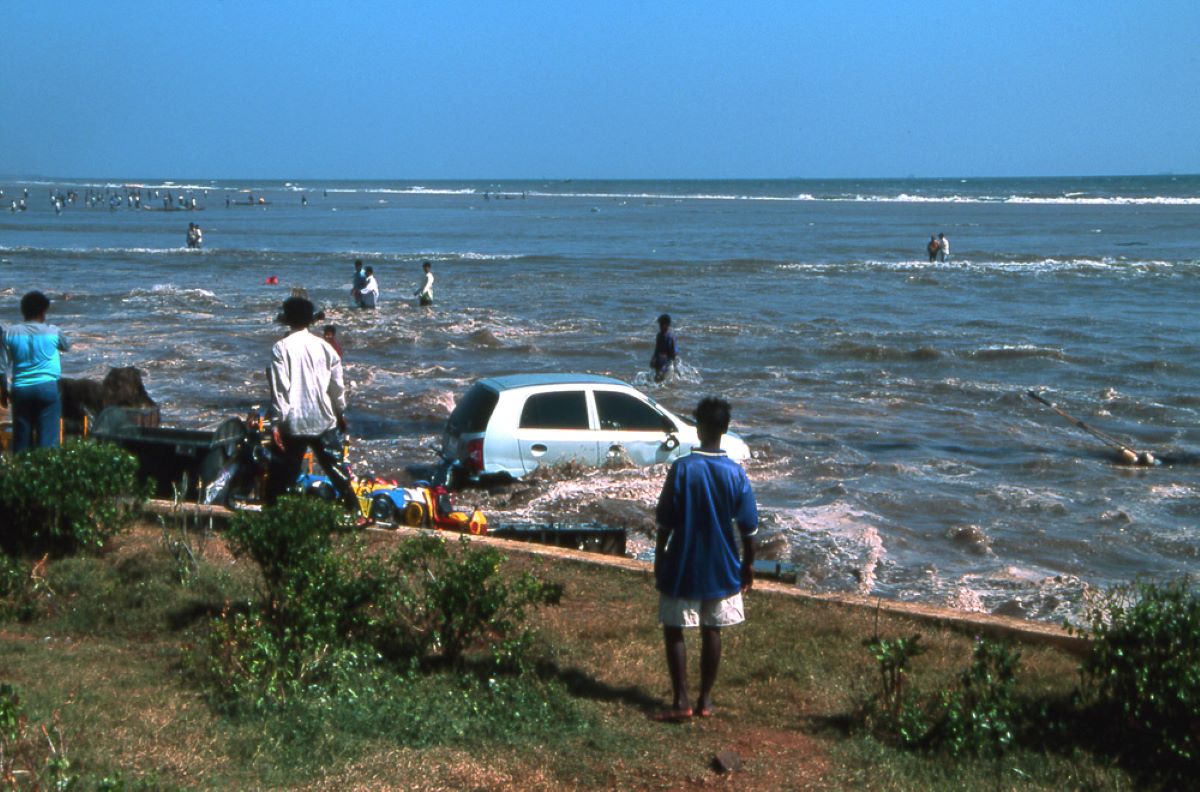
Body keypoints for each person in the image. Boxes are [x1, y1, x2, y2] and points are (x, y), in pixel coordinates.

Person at [652, 397, 758, 721]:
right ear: (725, 430)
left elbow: (665, 523)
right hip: (722, 563)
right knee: (713, 629)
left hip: (683, 560)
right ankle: (706, 700)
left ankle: (681, 698)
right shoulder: (736, 474)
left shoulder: (682, 469)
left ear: (699, 427)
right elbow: (749, 529)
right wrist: (748, 565)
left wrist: (659, 558)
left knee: (675, 628)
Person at [265, 296, 360, 517]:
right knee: (336, 469)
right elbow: (337, 388)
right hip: (323, 418)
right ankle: (355, 511)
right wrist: (340, 413)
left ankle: (274, 515)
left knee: (283, 473)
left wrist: (276, 424)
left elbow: (281, 390)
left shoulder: (281, 348)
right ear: (310, 320)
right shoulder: (326, 348)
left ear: (287, 320)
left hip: (294, 422)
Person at [0, 291, 71, 451]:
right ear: (43, 312)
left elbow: (2, 367)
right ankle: (45, 472)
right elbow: (66, 345)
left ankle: (22, 472)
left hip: (21, 390)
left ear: (23, 311)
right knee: (48, 442)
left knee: (22, 440)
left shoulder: (10, 333)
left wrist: (4, 390)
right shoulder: (53, 331)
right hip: (47, 388)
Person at [650, 313, 678, 383]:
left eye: (662, 324)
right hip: (659, 361)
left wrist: (667, 363)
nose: (660, 326)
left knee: (661, 379)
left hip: (667, 363)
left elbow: (674, 353)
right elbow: (657, 349)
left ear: (667, 325)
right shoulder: (659, 335)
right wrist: (653, 359)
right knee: (657, 379)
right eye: (660, 324)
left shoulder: (671, 337)